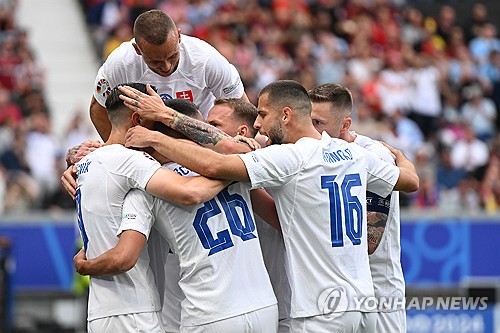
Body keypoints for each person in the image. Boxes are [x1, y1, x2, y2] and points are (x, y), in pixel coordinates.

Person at [117, 80, 419, 332]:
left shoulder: (291, 159)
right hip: (362, 304)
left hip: (319, 309)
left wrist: (156, 134)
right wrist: (401, 156)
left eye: (262, 114)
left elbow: (214, 163)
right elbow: (409, 181)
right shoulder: (352, 153)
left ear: (285, 115)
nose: (258, 123)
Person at [75, 97, 280, 333]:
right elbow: (276, 217)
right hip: (264, 305)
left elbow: (125, 255)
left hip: (209, 311)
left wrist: (87, 265)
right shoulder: (234, 167)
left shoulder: (147, 185)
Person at [308, 83, 406, 332]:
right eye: (308, 121)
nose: (311, 130)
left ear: (345, 125)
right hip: (338, 293)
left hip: (379, 292)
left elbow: (371, 242)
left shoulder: (374, 156)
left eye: (318, 123)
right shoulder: (313, 154)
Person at [90, 9, 248, 140]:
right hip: (148, 142)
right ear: (137, 50)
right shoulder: (120, 64)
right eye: (155, 61)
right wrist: (121, 152)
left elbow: (240, 107)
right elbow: (98, 110)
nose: (166, 66)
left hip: (200, 137)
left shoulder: (206, 59)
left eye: (172, 56)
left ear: (179, 36)